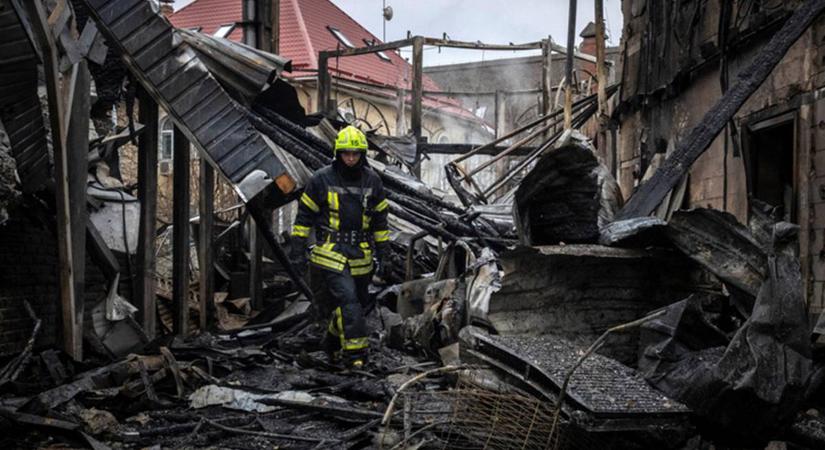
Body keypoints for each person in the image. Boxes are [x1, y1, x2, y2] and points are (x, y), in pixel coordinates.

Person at [289, 125, 390, 368]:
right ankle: (356, 356)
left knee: (356, 305)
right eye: (346, 153)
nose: (351, 158)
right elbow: (303, 219)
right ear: (338, 153)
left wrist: (384, 256)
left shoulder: (373, 181)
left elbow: (380, 223)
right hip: (330, 253)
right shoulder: (321, 179)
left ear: (363, 155)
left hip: (361, 255)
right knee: (349, 301)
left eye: (355, 154)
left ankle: (330, 344)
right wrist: (297, 252)